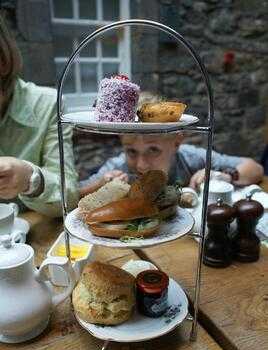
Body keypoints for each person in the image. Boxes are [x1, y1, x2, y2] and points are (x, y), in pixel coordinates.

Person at [0, 14, 78, 217]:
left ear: (3, 60)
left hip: (30, 236)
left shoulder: (48, 104)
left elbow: (69, 196)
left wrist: (30, 178)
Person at [80, 133, 264, 197]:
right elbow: (74, 194)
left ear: (176, 143)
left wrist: (225, 176)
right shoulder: (118, 166)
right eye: (131, 151)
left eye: (153, 150)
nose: (141, 166)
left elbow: (255, 168)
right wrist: (100, 186)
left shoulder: (191, 158)